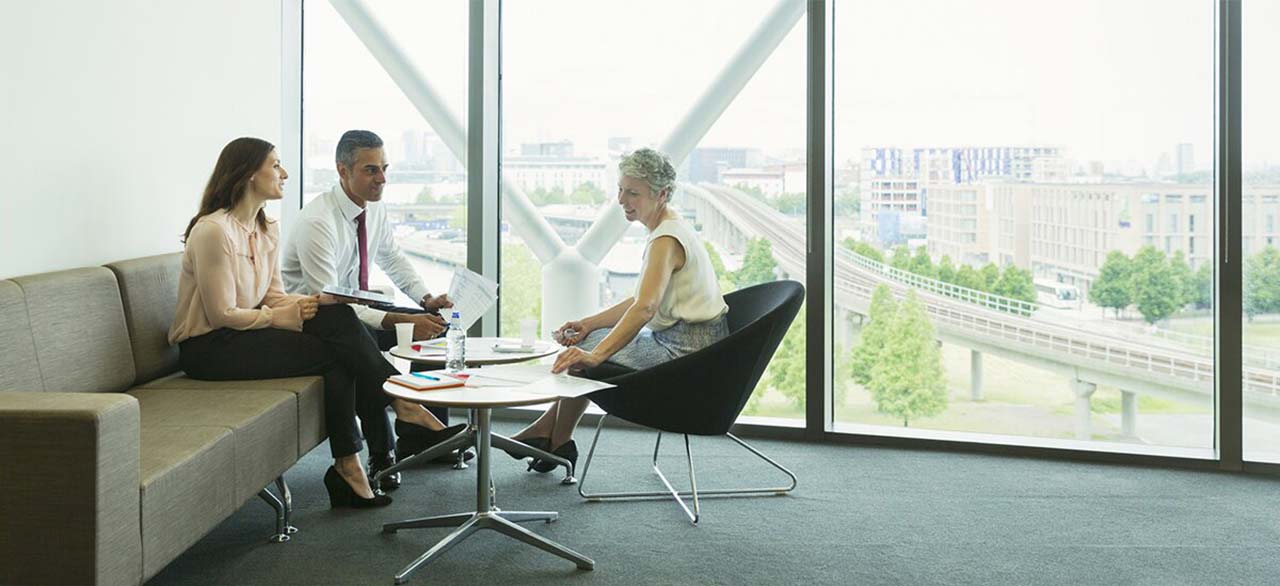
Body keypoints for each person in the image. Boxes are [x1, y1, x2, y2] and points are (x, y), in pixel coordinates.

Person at [169, 137, 462, 508]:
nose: (284, 173)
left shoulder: (266, 228)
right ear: (246, 174)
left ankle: (350, 465)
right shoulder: (214, 230)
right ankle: (395, 404)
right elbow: (221, 314)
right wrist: (284, 315)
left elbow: (273, 295)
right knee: (336, 345)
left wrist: (316, 303)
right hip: (210, 347)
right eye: (275, 165)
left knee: (336, 321)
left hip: (248, 333)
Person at [506, 148, 730, 473]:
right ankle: (554, 439)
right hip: (692, 343)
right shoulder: (670, 226)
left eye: (633, 193)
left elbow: (645, 308)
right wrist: (588, 323)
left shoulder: (665, 240)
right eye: (621, 189)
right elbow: (642, 299)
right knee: (585, 343)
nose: (622, 200)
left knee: (583, 353)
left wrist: (595, 355)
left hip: (687, 353)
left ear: (661, 194)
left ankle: (552, 437)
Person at [281, 129, 468, 477]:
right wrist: (396, 320)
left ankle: (422, 437)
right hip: (315, 323)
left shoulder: (373, 210)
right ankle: (386, 448)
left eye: (384, 168)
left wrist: (426, 300)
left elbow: (393, 258)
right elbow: (332, 304)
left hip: (354, 314)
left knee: (435, 328)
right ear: (343, 170)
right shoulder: (317, 222)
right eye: (371, 170)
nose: (382, 178)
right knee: (361, 341)